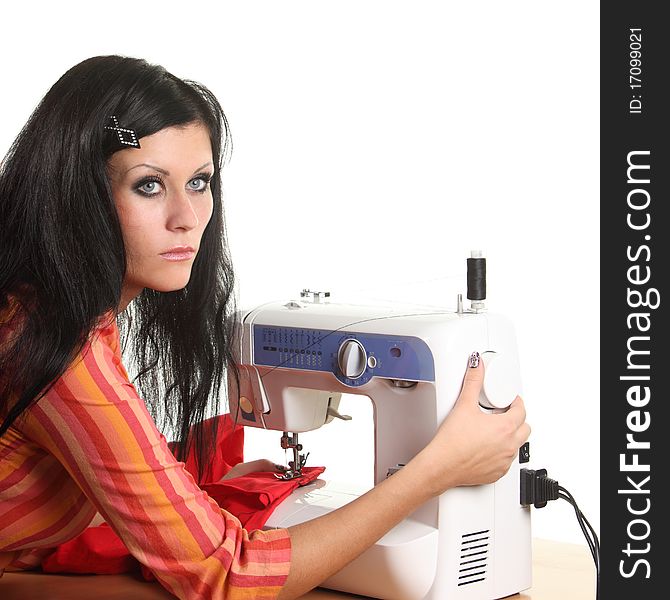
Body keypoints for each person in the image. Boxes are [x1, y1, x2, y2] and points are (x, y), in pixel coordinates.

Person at [0, 55, 530, 600]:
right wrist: (435, 469)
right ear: (76, 192)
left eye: (200, 182)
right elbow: (228, 580)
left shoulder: (41, 313)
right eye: (149, 186)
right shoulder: (55, 345)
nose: (187, 215)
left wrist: (188, 477)